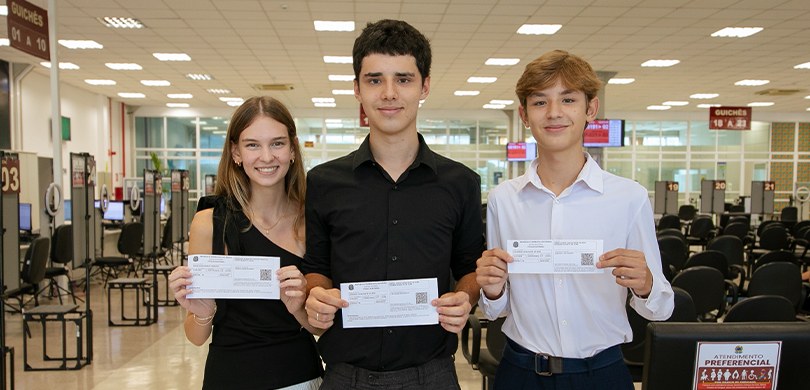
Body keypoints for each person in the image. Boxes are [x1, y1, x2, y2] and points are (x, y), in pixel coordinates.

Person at [475, 50, 675, 389]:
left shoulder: (628, 198)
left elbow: (661, 308)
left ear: (590, 109)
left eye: (568, 99)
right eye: (540, 102)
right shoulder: (503, 200)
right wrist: (493, 292)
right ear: (524, 114)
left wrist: (646, 284)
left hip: (602, 373)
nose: (554, 113)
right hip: (521, 372)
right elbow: (498, 309)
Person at [301, 19, 484, 389]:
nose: (388, 93)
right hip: (344, 375)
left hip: (432, 374)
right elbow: (317, 266)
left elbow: (469, 267)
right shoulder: (323, 182)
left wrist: (464, 297)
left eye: (403, 79)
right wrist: (315, 292)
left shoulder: (460, 182)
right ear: (357, 89)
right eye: (374, 80)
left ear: (424, 86)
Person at [168, 96, 323, 390]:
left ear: (292, 149)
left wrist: (299, 307)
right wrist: (202, 312)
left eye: (277, 143)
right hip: (228, 377)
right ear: (236, 152)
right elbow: (196, 336)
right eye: (253, 145)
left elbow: (320, 326)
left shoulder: (312, 222)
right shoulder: (208, 223)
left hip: (299, 377)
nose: (266, 157)